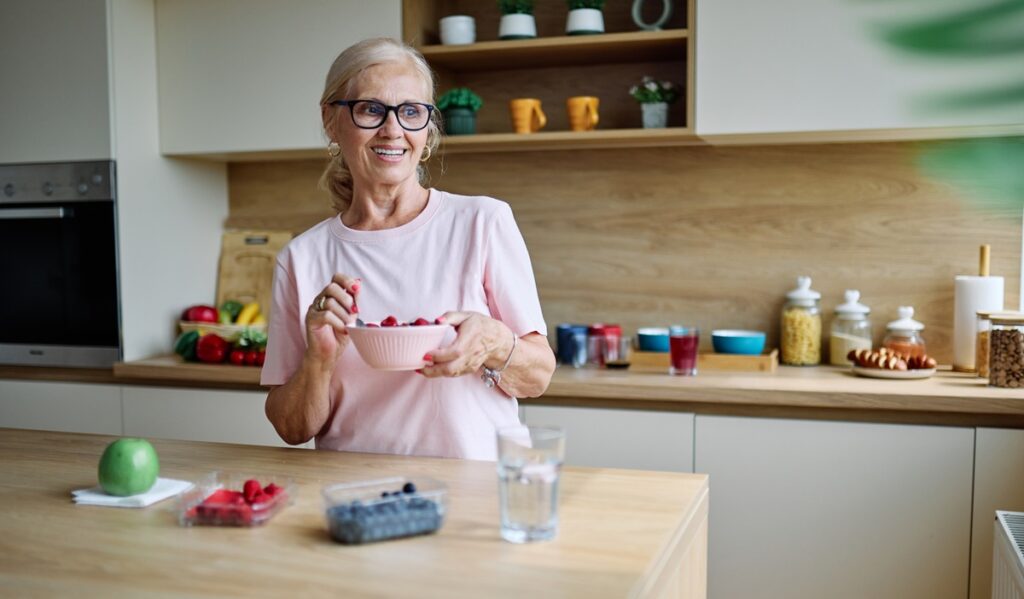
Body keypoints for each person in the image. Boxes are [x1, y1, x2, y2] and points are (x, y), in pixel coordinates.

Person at [261, 38, 555, 461]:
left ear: (427, 128)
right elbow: (291, 429)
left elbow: (538, 378)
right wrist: (318, 361)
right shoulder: (301, 258)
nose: (393, 130)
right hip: (355, 490)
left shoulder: (482, 222)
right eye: (371, 109)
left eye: (412, 112)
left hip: (476, 486)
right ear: (330, 120)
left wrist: (494, 342)